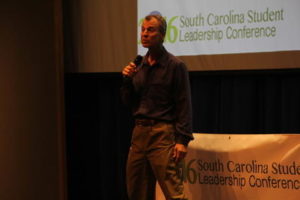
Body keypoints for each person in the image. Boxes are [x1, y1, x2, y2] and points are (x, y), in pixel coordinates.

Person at [121, 14, 193, 200]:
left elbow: (184, 103)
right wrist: (127, 81)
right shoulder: (140, 65)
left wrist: (182, 140)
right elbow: (129, 102)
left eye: (150, 30)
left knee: (173, 192)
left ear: (162, 35)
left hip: (162, 134)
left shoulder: (175, 65)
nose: (144, 34)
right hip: (139, 134)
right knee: (137, 191)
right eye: (143, 30)